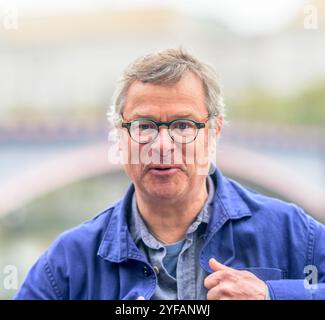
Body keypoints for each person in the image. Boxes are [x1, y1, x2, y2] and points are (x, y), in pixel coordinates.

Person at [15, 48, 325, 300]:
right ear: (119, 136)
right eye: (145, 127)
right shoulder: (69, 262)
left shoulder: (289, 232)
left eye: (183, 126)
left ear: (214, 132)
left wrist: (271, 294)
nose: (162, 145)